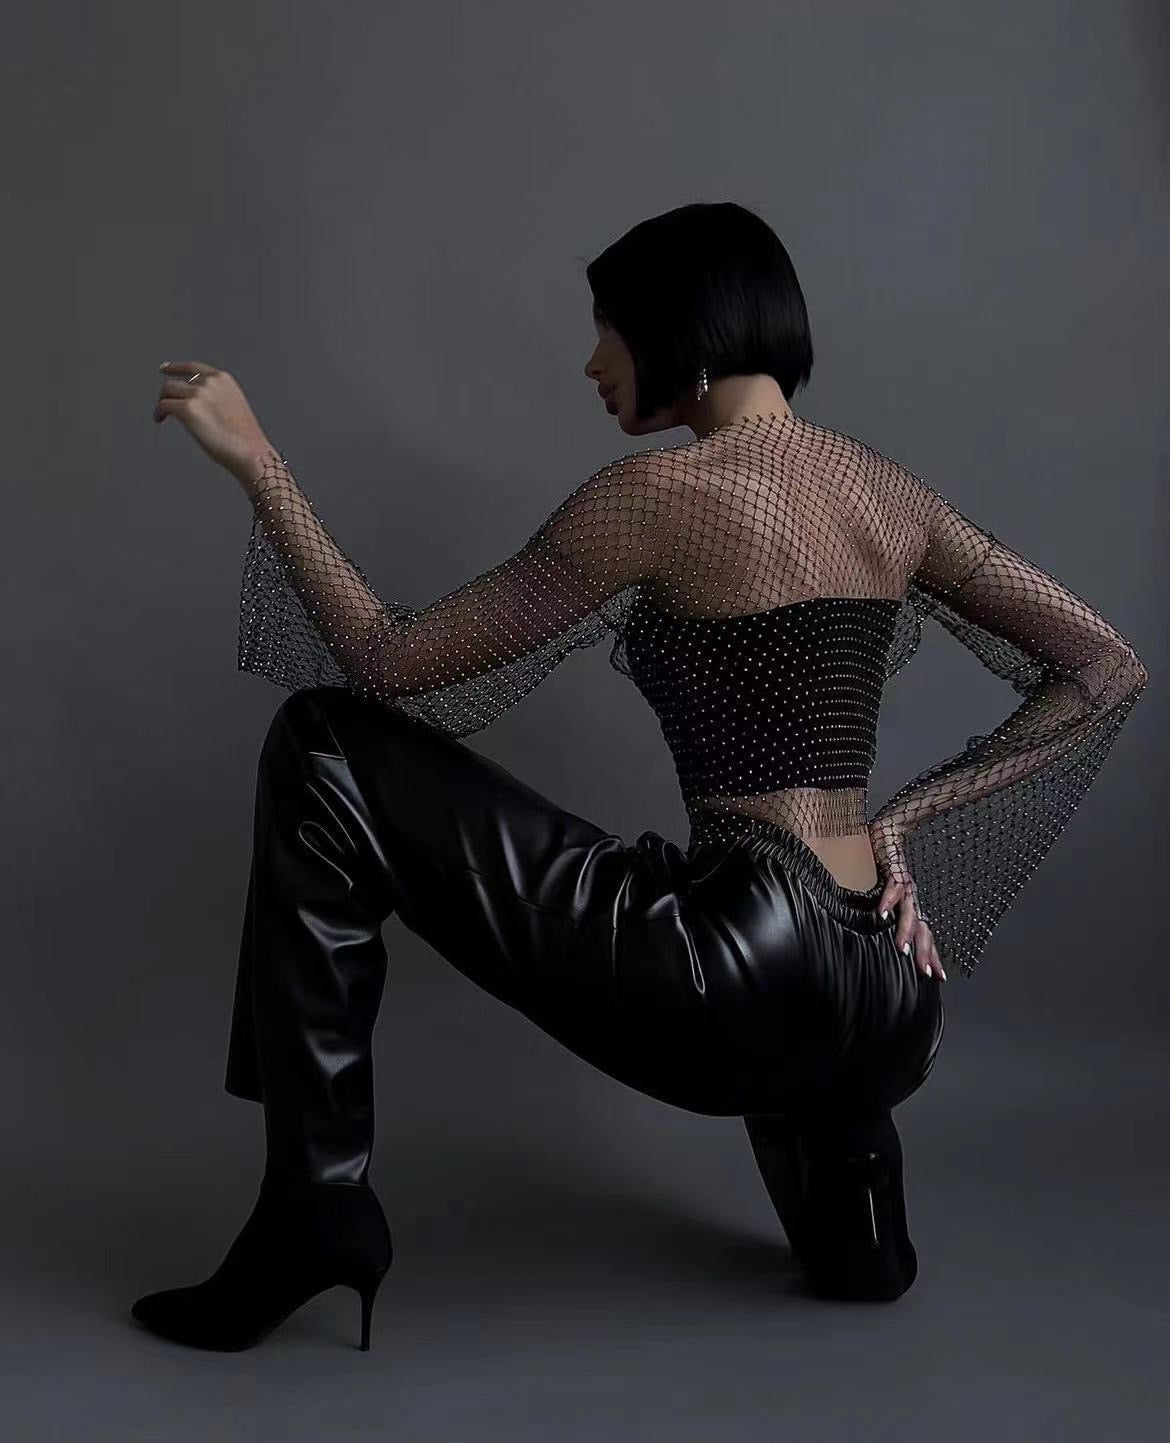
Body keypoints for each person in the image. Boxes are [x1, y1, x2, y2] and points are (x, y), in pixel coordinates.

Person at [131, 201, 1148, 1351]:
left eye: (608, 325)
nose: (591, 360)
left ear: (682, 327)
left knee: (323, 743)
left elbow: (388, 661)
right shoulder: (889, 494)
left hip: (742, 971)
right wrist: (906, 823)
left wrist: (260, 464)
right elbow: (1106, 667)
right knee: (857, 1270)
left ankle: (314, 1208)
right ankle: (858, 1208)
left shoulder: (655, 499)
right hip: (894, 1001)